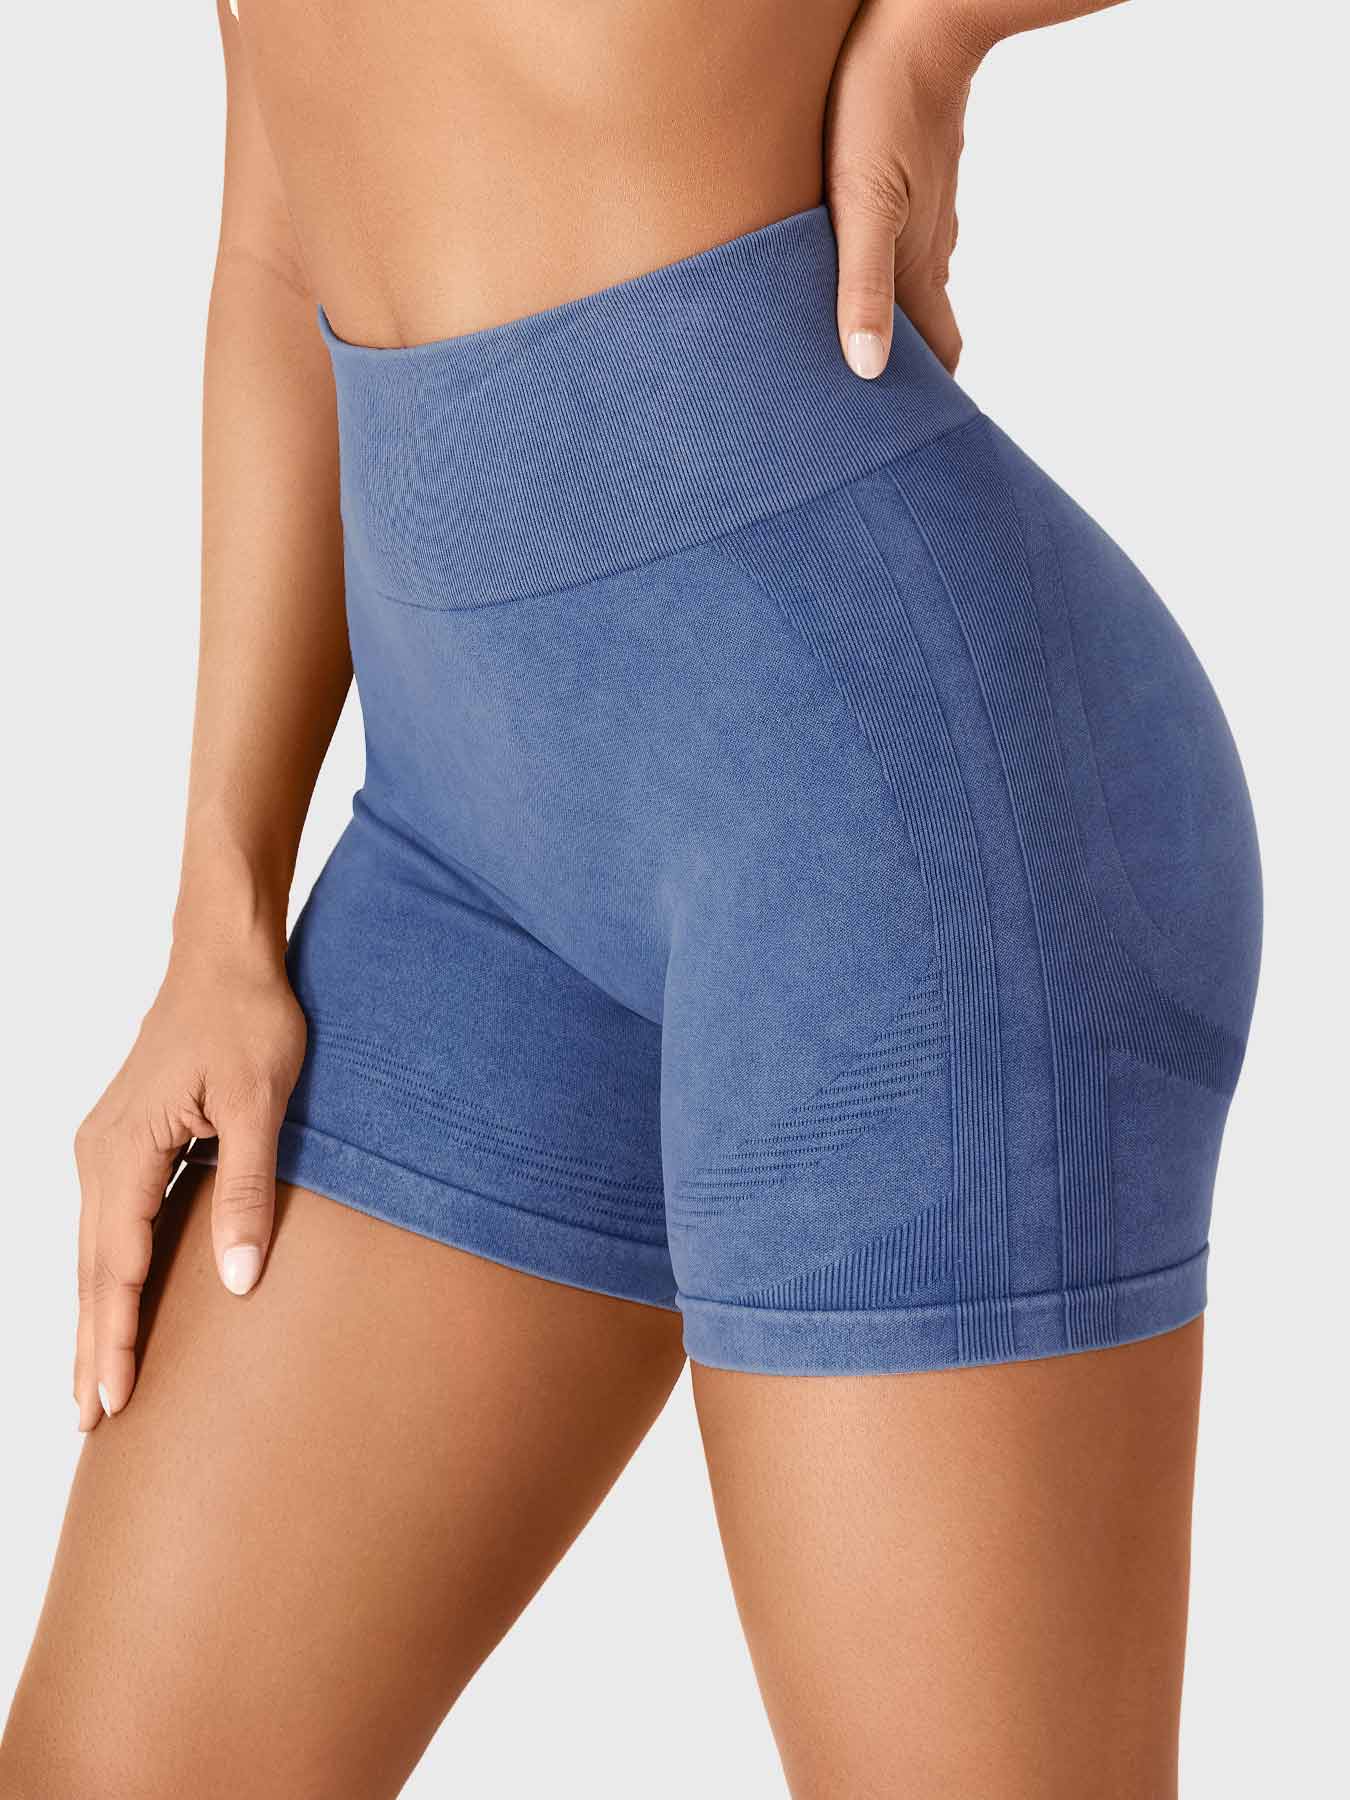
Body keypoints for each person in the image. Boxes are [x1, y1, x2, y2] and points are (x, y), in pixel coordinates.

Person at [0, 1, 1261, 1794]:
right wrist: (221, 913)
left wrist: (938, 28)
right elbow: (281, 237)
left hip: (884, 827)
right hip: (459, 858)